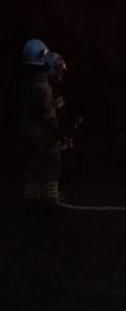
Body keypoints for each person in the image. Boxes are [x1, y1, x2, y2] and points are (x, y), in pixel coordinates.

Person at [18, 39, 63, 206]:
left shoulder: (24, 82)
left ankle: (32, 201)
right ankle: (50, 202)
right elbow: (47, 111)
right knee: (51, 166)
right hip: (42, 133)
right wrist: (57, 130)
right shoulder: (41, 83)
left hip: (26, 132)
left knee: (32, 169)